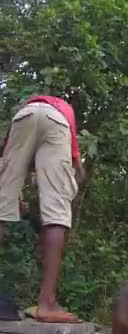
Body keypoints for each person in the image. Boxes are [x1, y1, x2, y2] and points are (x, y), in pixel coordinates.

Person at [0, 95, 81, 323]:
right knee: (56, 213)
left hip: (24, 114)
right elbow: (75, 164)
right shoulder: (65, 114)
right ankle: (46, 304)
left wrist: (9, 195)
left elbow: (7, 155)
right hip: (57, 122)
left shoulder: (30, 107)